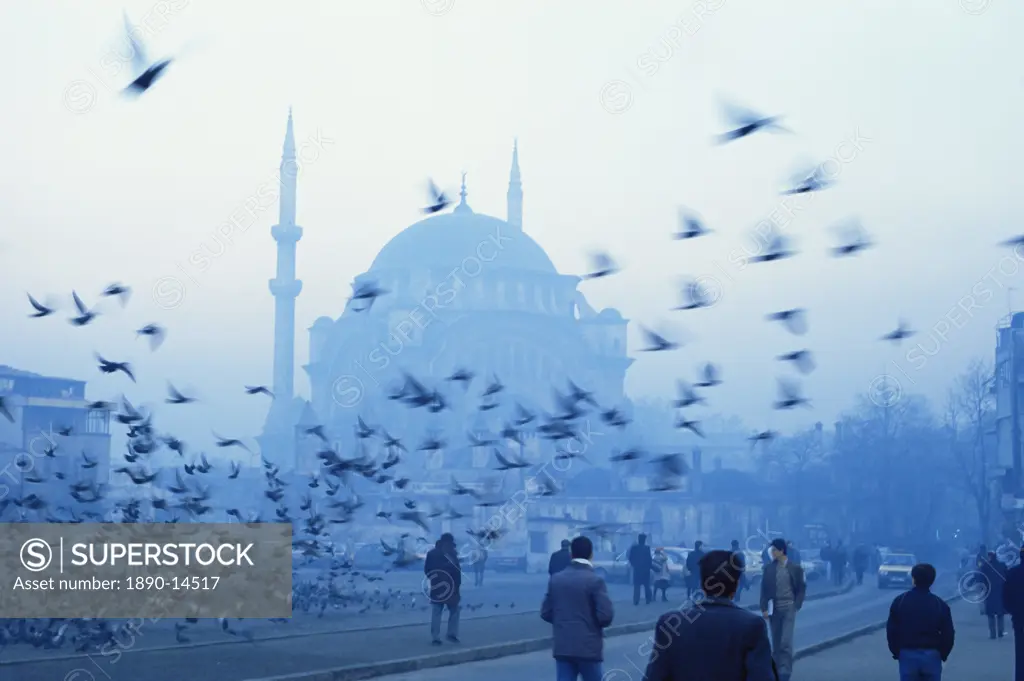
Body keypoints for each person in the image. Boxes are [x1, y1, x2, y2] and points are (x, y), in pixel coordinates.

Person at [644, 550, 777, 681]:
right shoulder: (751, 625)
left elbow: (655, 676)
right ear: (735, 586)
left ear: (702, 584)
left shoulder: (671, 624)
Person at [541, 535, 615, 681]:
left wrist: (563, 621)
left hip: (563, 646)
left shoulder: (556, 579)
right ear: (591, 554)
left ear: (571, 554)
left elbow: (546, 612)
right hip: (588, 648)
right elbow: (605, 615)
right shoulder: (595, 581)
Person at [885, 563, 955, 679]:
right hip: (932, 655)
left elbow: (891, 630)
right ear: (932, 581)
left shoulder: (900, 601)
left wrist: (896, 651)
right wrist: (943, 654)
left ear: (913, 579)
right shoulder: (939, 604)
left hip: (907, 653)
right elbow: (948, 634)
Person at [760, 538, 805, 681]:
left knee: (786, 642)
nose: (771, 553)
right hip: (774, 608)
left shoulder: (795, 568)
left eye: (774, 550)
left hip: (789, 607)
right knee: (776, 641)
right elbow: (764, 590)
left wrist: (797, 604)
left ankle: (785, 671)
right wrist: (764, 608)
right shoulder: (768, 569)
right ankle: (776, 670)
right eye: (771, 550)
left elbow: (801, 588)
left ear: (781, 551)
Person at [424, 533, 461, 645]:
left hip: (438, 586)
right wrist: (457, 586)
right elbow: (457, 571)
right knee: (453, 611)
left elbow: (427, 570)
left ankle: (436, 637)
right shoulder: (452, 554)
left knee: (437, 611)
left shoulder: (432, 553)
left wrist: (433, 579)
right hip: (450, 587)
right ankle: (451, 634)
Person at [1002, 546, 1024, 681]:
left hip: (1019, 618)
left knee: (1021, 652)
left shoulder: (1012, 573)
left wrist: (1012, 610)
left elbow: (1005, 596)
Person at [981, 550, 1007, 639]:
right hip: (1001, 592)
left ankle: (992, 634)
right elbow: (1006, 578)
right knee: (1000, 614)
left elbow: (982, 579)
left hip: (989, 593)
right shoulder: (1002, 565)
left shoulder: (985, 567)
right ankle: (1000, 632)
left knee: (990, 614)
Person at [628, 533, 653, 605]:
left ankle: (636, 600)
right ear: (644, 540)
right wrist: (649, 567)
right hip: (646, 570)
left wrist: (634, 565)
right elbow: (649, 559)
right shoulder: (647, 548)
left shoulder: (634, 548)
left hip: (637, 570)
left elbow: (630, 558)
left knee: (637, 586)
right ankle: (648, 600)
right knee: (647, 585)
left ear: (638, 539)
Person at [731, 539, 747, 604]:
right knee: (741, 584)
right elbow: (742, 562)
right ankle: (736, 597)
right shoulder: (740, 552)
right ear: (738, 544)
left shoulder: (731, 551)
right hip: (739, 571)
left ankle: (735, 597)